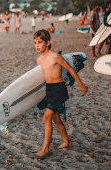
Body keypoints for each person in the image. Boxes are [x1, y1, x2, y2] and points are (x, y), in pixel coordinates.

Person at [33, 30, 88, 159]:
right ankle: (66, 141)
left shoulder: (55, 57)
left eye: (40, 42)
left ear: (48, 43)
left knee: (46, 117)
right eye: (35, 43)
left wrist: (81, 84)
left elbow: (70, 69)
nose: (37, 45)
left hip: (59, 89)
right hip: (49, 90)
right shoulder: (39, 60)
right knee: (55, 119)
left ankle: (45, 149)